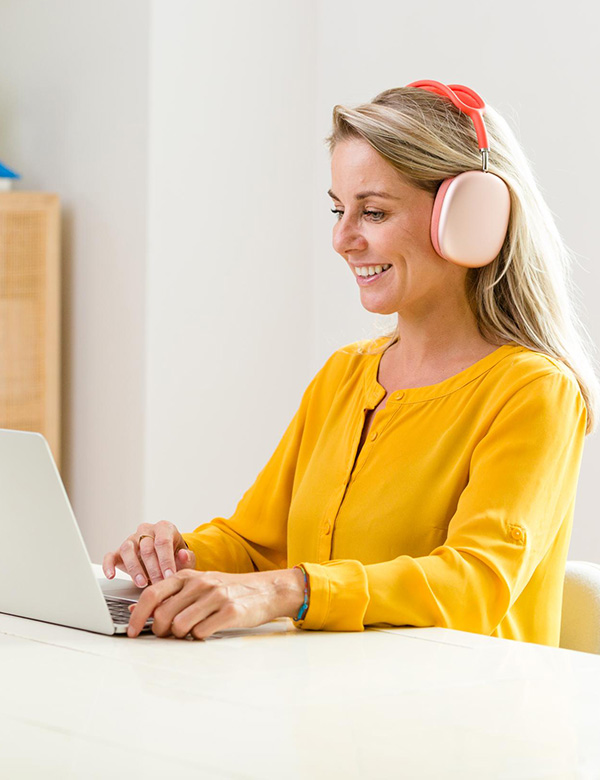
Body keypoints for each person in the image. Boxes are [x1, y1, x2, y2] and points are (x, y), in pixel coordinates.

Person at [103, 80, 599, 646]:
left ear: (471, 217)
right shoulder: (345, 374)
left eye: (375, 212)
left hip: (466, 719)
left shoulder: (534, 390)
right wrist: (176, 556)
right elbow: (259, 545)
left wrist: (285, 590)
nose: (343, 238)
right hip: (329, 704)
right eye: (340, 210)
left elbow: (476, 584)